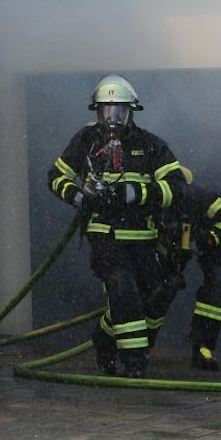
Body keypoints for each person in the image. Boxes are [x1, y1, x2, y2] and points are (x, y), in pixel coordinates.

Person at [47, 74, 185, 378]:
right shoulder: (86, 140)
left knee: (153, 296)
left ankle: (105, 339)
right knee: (123, 291)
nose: (112, 119)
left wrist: (138, 193)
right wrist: (80, 198)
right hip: (105, 235)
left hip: (143, 238)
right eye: (106, 112)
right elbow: (55, 177)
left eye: (119, 111)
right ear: (97, 112)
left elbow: (176, 186)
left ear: (131, 111)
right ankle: (135, 362)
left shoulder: (149, 145)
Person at [147, 177, 221, 371]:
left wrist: (206, 240)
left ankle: (203, 348)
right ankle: (142, 346)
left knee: (216, 288)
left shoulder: (201, 198)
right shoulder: (153, 201)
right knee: (163, 289)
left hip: (207, 243)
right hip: (175, 248)